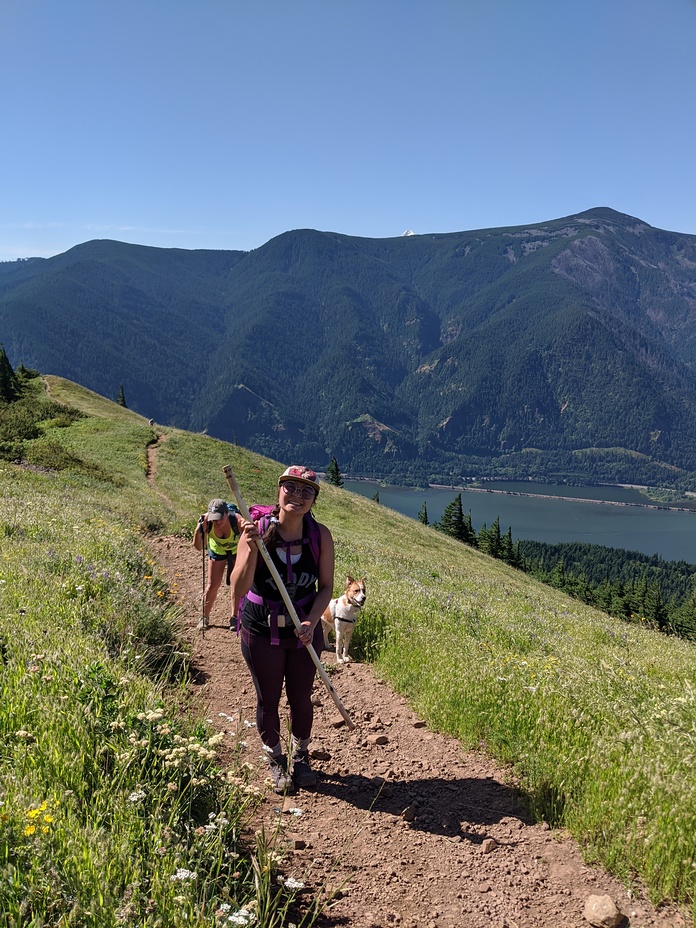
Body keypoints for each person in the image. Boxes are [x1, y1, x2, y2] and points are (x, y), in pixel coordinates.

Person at [232, 466, 335, 792]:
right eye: (290, 487)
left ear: (313, 499)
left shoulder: (320, 536)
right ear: (278, 491)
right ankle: (275, 758)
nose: (297, 496)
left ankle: (301, 756)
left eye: (306, 491)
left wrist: (312, 620)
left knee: (301, 696)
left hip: (304, 629)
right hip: (261, 628)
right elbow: (237, 588)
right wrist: (251, 550)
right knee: (269, 698)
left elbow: (326, 587)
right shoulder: (256, 531)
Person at [193, 498, 243, 630]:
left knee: (236, 584)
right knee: (212, 585)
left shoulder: (236, 520)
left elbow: (248, 538)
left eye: (220, 517)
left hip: (236, 550)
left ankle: (234, 617)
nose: (217, 521)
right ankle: (204, 617)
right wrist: (199, 531)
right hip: (217, 550)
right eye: (214, 518)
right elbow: (199, 547)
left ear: (227, 513)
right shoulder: (206, 523)